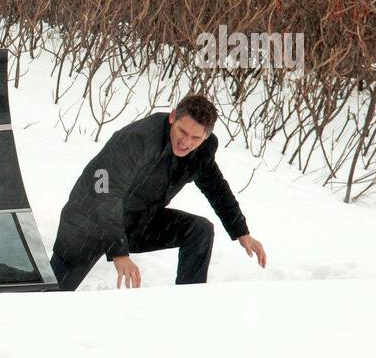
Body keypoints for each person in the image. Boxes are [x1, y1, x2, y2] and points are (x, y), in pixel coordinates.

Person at [49, 94, 267, 291]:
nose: (186, 142)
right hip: (88, 223)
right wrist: (119, 252)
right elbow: (104, 193)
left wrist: (241, 231)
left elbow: (215, 186)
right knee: (49, 295)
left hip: (137, 221)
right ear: (173, 117)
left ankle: (189, 302)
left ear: (206, 136)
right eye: (182, 131)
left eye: (195, 138)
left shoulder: (202, 149)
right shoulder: (136, 139)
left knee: (199, 231)